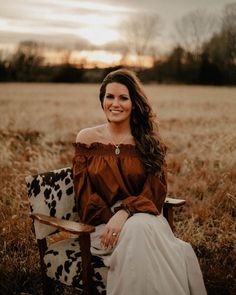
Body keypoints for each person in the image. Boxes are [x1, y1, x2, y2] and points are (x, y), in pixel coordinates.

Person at [72, 68, 207, 295]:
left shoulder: (148, 142)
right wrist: (112, 218)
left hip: (145, 219)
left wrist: (124, 213)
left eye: (123, 98)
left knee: (139, 227)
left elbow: (154, 192)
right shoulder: (87, 139)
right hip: (103, 227)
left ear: (134, 103)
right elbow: (85, 196)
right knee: (141, 235)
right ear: (102, 100)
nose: (115, 104)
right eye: (110, 96)